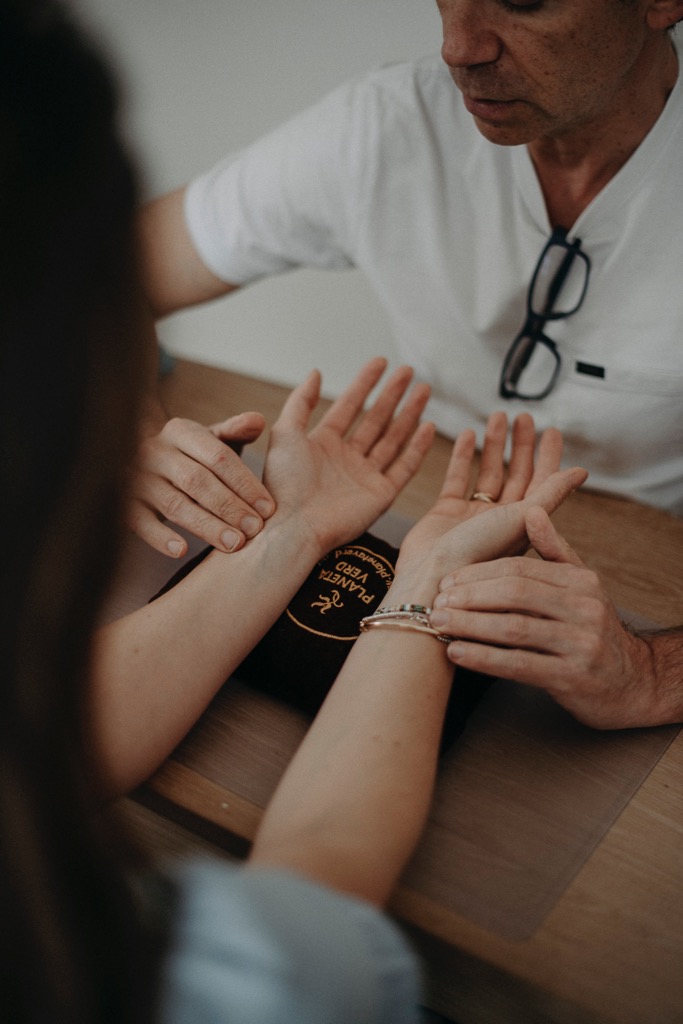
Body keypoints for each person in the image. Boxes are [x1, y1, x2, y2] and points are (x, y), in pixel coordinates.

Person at [1, 2, 585, 1021]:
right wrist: (424, 582)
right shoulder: (225, 983)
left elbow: (53, 745)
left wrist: (285, 540)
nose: (460, 45)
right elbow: (316, 875)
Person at [130, 0, 683, 731]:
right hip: (409, 495)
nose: (458, 47)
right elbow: (94, 281)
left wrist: (651, 672)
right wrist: (126, 428)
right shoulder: (388, 126)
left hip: (650, 564)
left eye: (522, 0)